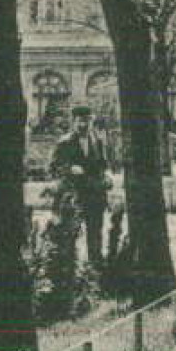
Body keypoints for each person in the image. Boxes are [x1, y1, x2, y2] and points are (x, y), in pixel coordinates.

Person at [50, 104, 112, 263]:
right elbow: (54, 167)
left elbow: (104, 165)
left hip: (95, 195)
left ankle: (95, 267)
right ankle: (69, 269)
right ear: (74, 122)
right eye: (80, 121)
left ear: (91, 121)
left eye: (87, 121)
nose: (83, 125)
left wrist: (107, 177)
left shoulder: (98, 141)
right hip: (74, 195)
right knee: (70, 233)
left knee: (95, 233)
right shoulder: (64, 143)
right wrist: (70, 169)